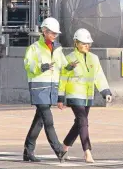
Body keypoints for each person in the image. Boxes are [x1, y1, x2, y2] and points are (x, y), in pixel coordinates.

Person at [23, 17, 74, 162]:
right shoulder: (34, 48)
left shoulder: (58, 49)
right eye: (52, 33)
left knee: (39, 121)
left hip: (51, 88)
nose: (54, 36)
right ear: (44, 31)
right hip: (39, 89)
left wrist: (69, 67)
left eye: (56, 34)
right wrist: (41, 67)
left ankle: (28, 150)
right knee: (48, 120)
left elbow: (63, 65)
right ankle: (59, 150)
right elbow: (28, 65)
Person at [57, 28, 112, 163]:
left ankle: (63, 148)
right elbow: (63, 78)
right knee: (83, 121)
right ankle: (87, 152)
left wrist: (105, 92)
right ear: (76, 42)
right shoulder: (69, 58)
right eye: (83, 43)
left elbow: (99, 76)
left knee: (79, 124)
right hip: (74, 95)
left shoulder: (94, 58)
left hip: (88, 96)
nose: (87, 45)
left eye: (88, 43)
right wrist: (60, 97)